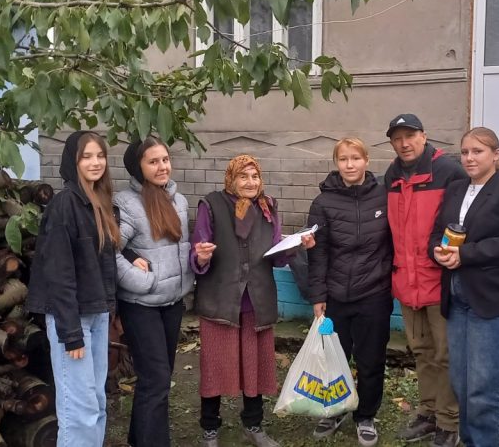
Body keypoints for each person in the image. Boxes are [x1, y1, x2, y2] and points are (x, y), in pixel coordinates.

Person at [189, 155, 315, 447]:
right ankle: (210, 427)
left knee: (255, 367)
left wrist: (296, 245)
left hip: (256, 301)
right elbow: (198, 249)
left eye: (255, 176)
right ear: (231, 179)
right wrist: (201, 255)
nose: (250, 183)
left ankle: (253, 425)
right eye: (243, 177)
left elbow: (276, 254)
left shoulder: (267, 206)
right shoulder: (211, 205)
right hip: (221, 300)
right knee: (215, 367)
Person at [430, 127, 499, 447]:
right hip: (458, 297)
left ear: (496, 155)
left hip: (496, 300)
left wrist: (465, 255)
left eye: (478, 151)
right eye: (464, 152)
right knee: (463, 385)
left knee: (491, 389)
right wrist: (437, 251)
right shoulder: (456, 189)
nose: (469, 158)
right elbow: (438, 232)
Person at [26, 131, 119, 447]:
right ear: (73, 161)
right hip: (73, 319)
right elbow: (59, 274)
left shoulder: (100, 202)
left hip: (97, 313)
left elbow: (103, 261)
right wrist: (70, 333)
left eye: (100, 155)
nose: (95, 162)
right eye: (86, 156)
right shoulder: (64, 205)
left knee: (96, 403)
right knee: (78, 412)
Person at [383, 113, 467, 447]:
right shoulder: (391, 175)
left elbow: (465, 222)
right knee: (421, 351)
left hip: (440, 282)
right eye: (397, 138)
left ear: (424, 135)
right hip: (406, 283)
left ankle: (450, 422)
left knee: (446, 354)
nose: (404, 143)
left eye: (410, 136)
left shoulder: (449, 171)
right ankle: (429, 412)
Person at [304, 138, 393, 446]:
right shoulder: (323, 203)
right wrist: (318, 296)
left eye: (356, 157)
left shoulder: (384, 196)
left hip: (375, 294)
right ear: (336, 163)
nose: (350, 164)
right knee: (334, 360)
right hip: (336, 296)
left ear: (366, 160)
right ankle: (335, 409)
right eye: (343, 159)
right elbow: (318, 254)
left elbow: (395, 244)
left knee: (371, 360)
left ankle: (365, 415)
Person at [113, 138, 192, 446]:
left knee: (158, 379)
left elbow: (176, 249)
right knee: (156, 380)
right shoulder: (126, 203)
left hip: (172, 303)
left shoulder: (178, 200)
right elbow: (109, 251)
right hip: (141, 305)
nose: (162, 167)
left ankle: (139, 439)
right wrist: (142, 281)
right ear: (138, 167)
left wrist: (196, 259)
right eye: (153, 161)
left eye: (165, 160)